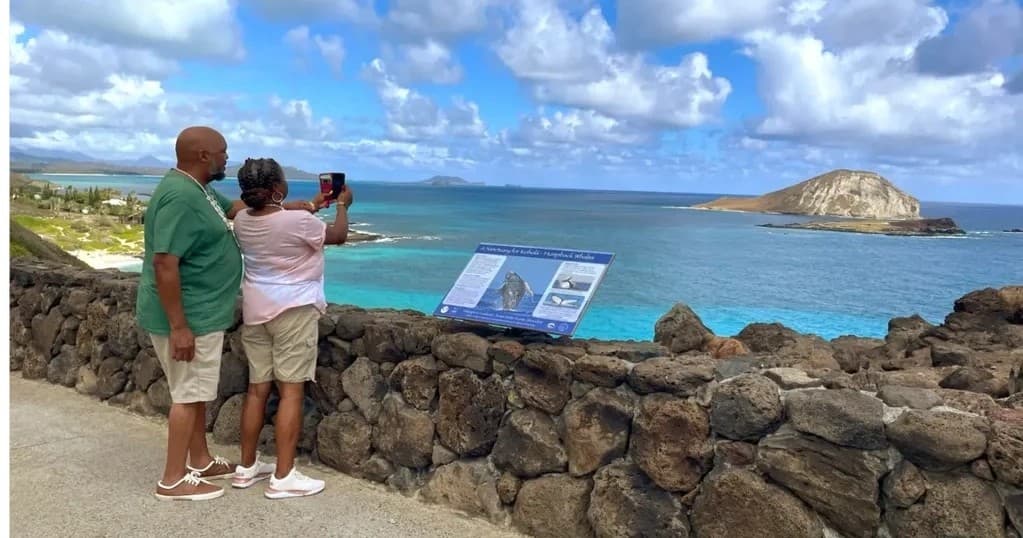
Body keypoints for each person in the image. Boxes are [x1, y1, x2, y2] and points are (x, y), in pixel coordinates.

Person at [230, 157, 353, 499]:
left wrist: (313, 204)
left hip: (256, 312)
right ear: (276, 189)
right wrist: (341, 204)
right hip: (294, 312)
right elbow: (338, 236)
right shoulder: (297, 221)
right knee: (291, 393)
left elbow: (272, 215)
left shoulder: (241, 219)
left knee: (257, 390)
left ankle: (246, 468)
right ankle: (283, 477)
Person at [135, 126, 243, 501]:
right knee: (186, 395)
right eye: (223, 152)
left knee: (194, 392)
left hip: (202, 313)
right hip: (189, 318)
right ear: (203, 156)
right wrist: (179, 327)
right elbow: (165, 263)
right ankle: (172, 479)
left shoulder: (198, 188)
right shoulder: (181, 197)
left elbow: (236, 210)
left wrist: (306, 206)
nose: (228, 157)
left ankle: (200, 460)